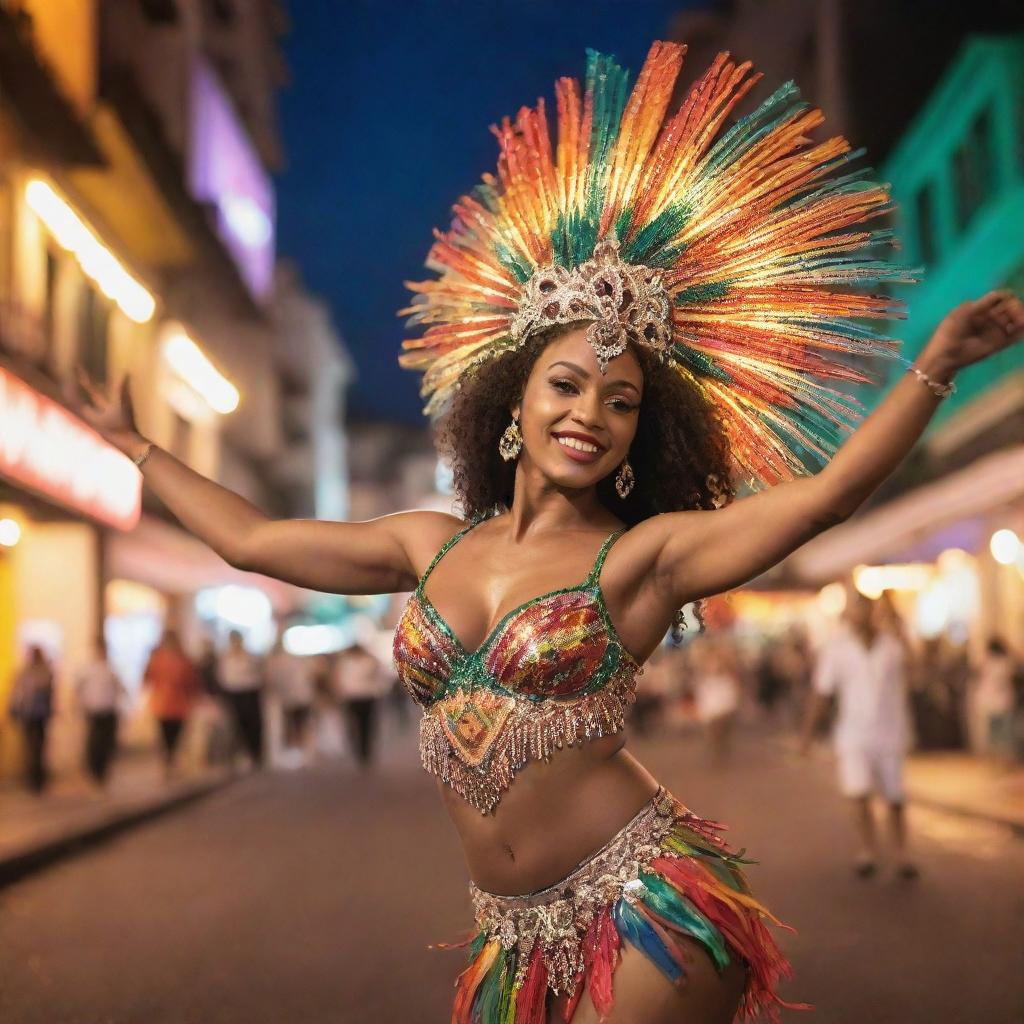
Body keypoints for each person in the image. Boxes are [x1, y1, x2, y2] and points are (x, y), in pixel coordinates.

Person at [71, 39, 1023, 1024]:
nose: (589, 413)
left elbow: (819, 501)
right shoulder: (424, 541)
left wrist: (934, 366)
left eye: (619, 402)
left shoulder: (645, 555)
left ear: (632, 437)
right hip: (509, 937)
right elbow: (253, 542)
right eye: (565, 385)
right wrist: (139, 450)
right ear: (511, 407)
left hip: (647, 904)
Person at [800, 593, 917, 880]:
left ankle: (901, 854)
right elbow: (822, 693)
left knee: (895, 796)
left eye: (865, 608)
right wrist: (807, 734)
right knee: (859, 793)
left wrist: (900, 625)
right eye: (855, 609)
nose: (860, 614)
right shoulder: (836, 649)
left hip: (891, 731)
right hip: (853, 734)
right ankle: (868, 850)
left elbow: (916, 668)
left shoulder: (892, 644)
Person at [143, 629, 201, 780]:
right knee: (165, 737)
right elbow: (148, 678)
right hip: (162, 705)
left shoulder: (184, 660)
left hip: (180, 705)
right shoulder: (157, 659)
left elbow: (192, 681)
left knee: (176, 736)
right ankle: (168, 764)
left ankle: (172, 762)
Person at [75, 635, 127, 787]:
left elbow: (120, 689)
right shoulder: (87, 670)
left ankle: (102, 775)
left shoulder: (111, 670)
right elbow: (78, 689)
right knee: (94, 745)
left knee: (106, 745)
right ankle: (94, 773)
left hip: (109, 712)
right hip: (93, 712)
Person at [332, 641, 391, 767]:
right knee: (366, 725)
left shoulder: (346, 662)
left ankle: (360, 749)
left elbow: (338, 679)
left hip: (353, 696)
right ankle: (364, 750)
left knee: (355, 724)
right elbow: (381, 674)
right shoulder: (368, 661)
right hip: (365, 696)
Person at [7, 645, 54, 794]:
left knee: (37, 747)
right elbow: (17, 691)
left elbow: (46, 689)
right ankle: (32, 779)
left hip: (39, 715)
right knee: (30, 747)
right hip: (28, 714)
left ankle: (37, 780)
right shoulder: (26, 672)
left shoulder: (42, 672)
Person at [216, 630, 265, 768]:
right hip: (233, 694)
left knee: (252, 724)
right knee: (237, 725)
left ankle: (255, 753)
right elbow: (223, 677)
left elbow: (258, 675)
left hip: (249, 692)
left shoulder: (250, 657)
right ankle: (241, 754)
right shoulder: (226, 658)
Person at [265, 632, 314, 766]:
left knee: (297, 724)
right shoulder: (289, 661)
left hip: (296, 698)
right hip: (294, 698)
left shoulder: (283, 662)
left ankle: (301, 750)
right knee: (297, 724)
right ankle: (301, 750)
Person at [693, 637, 742, 769]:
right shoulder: (703, 661)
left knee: (722, 727)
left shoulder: (726, 662)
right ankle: (716, 751)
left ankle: (721, 748)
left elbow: (733, 676)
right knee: (711, 729)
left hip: (722, 695)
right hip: (710, 695)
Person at [972, 637, 1018, 762]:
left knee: (996, 732)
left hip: (992, 699)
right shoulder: (1005, 662)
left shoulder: (987, 662)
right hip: (999, 700)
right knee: (1002, 732)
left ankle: (996, 758)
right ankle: (1000, 758)